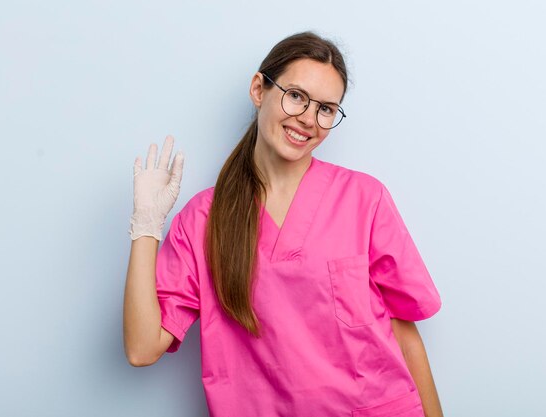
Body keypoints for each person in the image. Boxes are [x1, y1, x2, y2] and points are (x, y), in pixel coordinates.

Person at [123, 31, 444, 417]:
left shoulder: (364, 198)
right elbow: (142, 349)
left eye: (326, 109)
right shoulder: (205, 220)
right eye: (296, 96)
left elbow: (403, 330)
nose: (308, 119)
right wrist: (147, 225)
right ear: (259, 89)